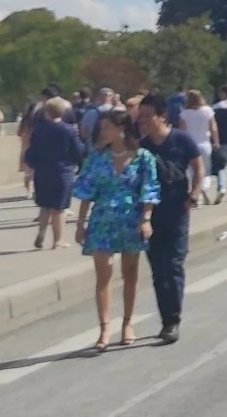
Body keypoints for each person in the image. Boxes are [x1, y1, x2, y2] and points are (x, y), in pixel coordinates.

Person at [72, 109, 158, 350]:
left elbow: (150, 189)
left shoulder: (142, 157)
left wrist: (146, 219)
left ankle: (128, 323)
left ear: (121, 129)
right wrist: (80, 224)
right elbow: (86, 192)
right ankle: (104, 328)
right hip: (102, 220)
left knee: (130, 272)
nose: (103, 132)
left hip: (131, 219)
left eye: (107, 127)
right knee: (103, 274)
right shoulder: (96, 158)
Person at [137, 94, 204, 344]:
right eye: (141, 116)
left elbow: (198, 168)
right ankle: (166, 319)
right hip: (151, 214)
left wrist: (193, 195)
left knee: (173, 265)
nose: (143, 121)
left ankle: (173, 320)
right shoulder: (142, 147)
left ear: (162, 116)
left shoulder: (181, 139)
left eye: (148, 115)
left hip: (177, 211)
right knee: (158, 269)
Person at [26, 98, 85, 249]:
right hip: (62, 171)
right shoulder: (68, 130)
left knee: (45, 205)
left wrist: (32, 165)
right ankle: (58, 240)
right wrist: (80, 163)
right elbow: (77, 150)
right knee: (59, 208)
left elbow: (31, 152)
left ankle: (41, 233)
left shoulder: (38, 130)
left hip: (42, 171)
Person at [177, 90, 216, 205]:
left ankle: (197, 198)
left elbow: (182, 131)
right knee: (206, 171)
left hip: (190, 145)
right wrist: (216, 141)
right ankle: (204, 187)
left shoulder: (184, 113)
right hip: (205, 144)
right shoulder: (208, 111)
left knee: (192, 172)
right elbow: (213, 128)